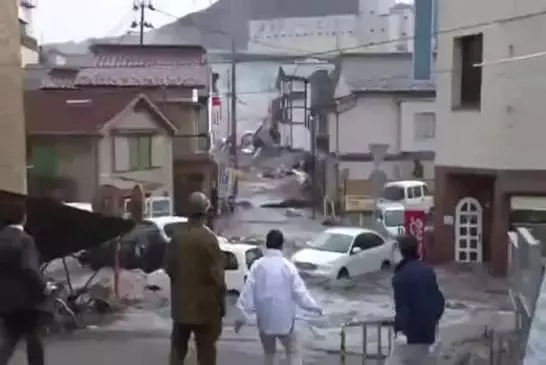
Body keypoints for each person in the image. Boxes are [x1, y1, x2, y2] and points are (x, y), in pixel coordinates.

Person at [235, 229, 323, 365]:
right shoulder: (288, 267)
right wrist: (315, 308)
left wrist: (242, 317)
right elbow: (300, 293)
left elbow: (247, 293)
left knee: (269, 354)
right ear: (282, 245)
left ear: (266, 244)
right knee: (292, 351)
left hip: (265, 321)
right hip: (285, 322)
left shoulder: (257, 266)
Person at [166, 191, 226, 365]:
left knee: (177, 351)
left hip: (181, 308)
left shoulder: (177, 238)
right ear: (205, 212)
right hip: (205, 309)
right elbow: (218, 277)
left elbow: (170, 269)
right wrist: (222, 306)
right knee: (206, 354)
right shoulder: (209, 240)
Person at [0, 202, 48, 365]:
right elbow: (30, 269)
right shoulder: (25, 240)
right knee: (33, 336)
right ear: (24, 218)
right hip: (26, 300)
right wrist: (43, 287)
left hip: (4, 300)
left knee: (10, 337)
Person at [386, 234, 445, 365]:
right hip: (429, 335)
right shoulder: (428, 270)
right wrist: (433, 321)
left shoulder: (400, 277)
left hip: (410, 338)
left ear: (400, 252)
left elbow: (403, 308)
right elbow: (439, 301)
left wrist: (399, 330)